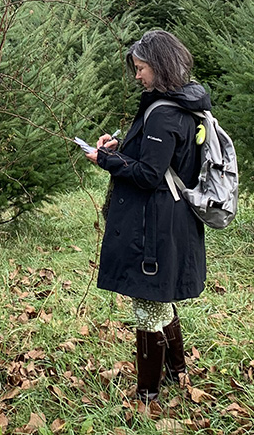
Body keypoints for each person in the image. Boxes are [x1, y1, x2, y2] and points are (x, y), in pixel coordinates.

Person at [85, 30, 210, 403]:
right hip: (169, 220)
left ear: (159, 66)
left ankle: (147, 394)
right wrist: (119, 147)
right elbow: (153, 159)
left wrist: (106, 160)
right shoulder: (182, 103)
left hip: (155, 224)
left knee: (147, 305)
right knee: (159, 299)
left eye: (140, 68)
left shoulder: (164, 114)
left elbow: (148, 175)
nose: (137, 76)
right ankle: (177, 370)